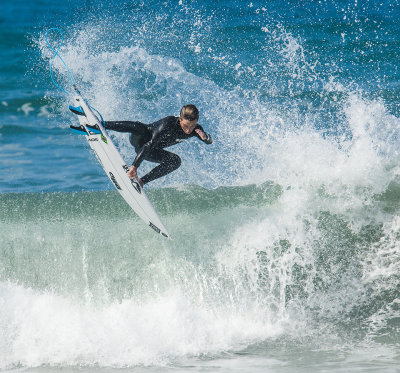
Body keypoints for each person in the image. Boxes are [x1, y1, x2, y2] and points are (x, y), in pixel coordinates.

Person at [103, 104, 212, 189]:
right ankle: (103, 124)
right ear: (180, 119)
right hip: (141, 141)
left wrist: (205, 137)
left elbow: (209, 141)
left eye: (192, 126)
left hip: (151, 151)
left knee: (175, 161)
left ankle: (142, 182)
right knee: (140, 127)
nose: (188, 130)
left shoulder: (197, 130)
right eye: (186, 126)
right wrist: (134, 167)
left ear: (196, 122)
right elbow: (149, 144)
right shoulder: (169, 123)